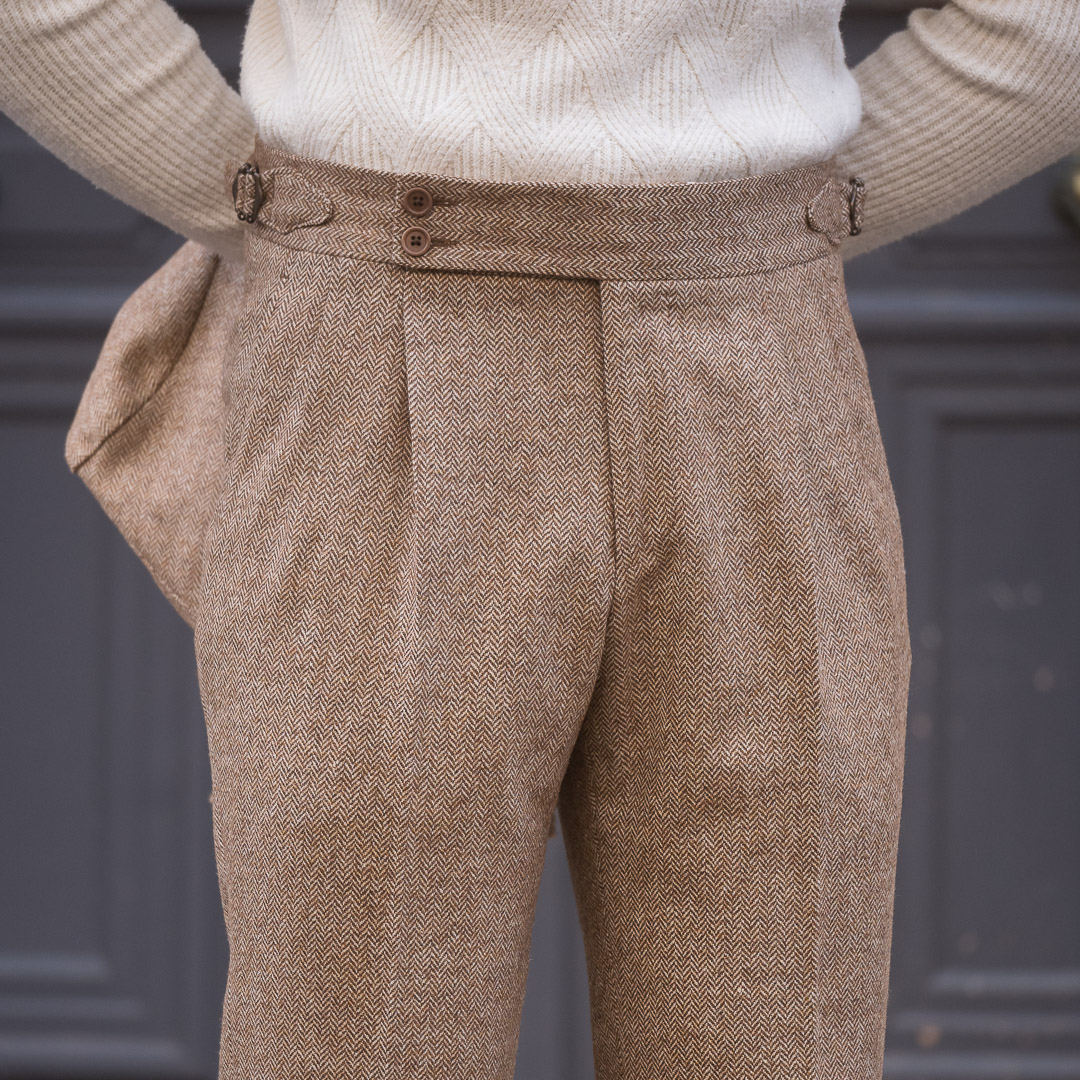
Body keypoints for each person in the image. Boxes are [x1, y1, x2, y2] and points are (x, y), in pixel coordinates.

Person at [1, 2, 1078, 1079]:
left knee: (357, 1032)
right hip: (725, 354)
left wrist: (276, 210)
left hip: (399, 322)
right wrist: (762, 222)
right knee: (766, 1025)